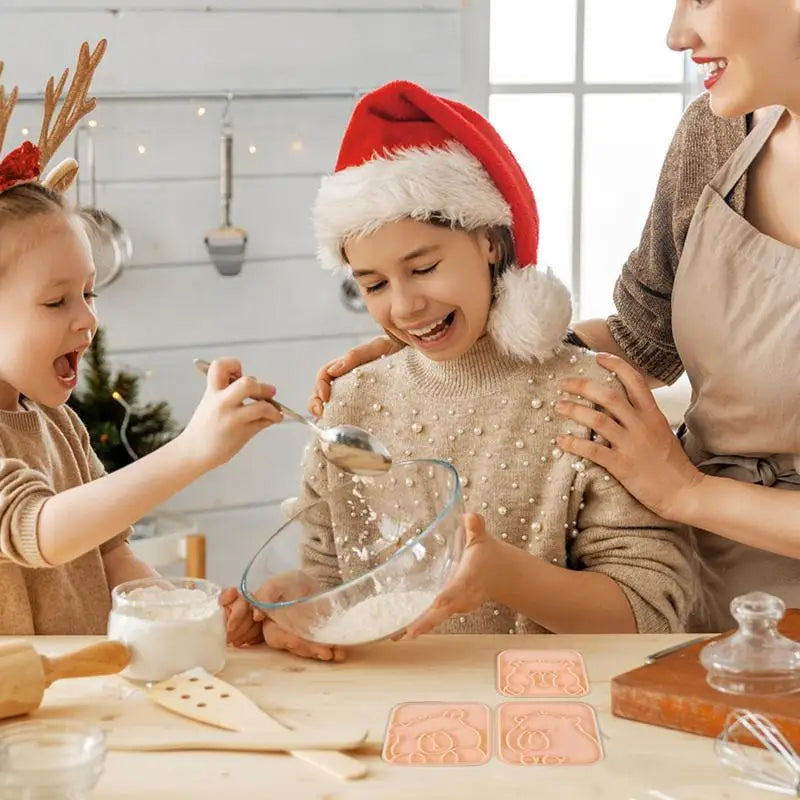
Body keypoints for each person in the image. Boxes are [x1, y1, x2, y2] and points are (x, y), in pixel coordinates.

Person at [308, 1, 800, 632]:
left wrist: (689, 492)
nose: (676, 35)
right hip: (704, 583)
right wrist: (457, 352)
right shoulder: (716, 132)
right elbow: (643, 338)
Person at [255, 80, 695, 662]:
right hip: (382, 713)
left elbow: (654, 611)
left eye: (425, 266)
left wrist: (506, 576)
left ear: (489, 241)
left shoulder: (588, 398)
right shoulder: (352, 405)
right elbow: (331, 576)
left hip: (547, 716)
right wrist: (298, 599)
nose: (406, 305)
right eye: (375, 284)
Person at [0, 41, 281, 634]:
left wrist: (190, 619)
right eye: (56, 301)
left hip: (90, 699)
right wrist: (191, 451)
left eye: (89, 293)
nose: (87, 319)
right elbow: (40, 532)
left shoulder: (60, 426)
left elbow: (110, 556)